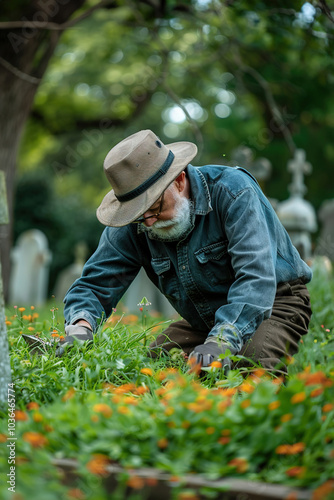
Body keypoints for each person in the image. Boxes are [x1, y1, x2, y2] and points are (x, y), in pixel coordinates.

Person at [25, 129, 313, 373]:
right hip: (204, 319)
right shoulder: (135, 218)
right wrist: (80, 328)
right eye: (140, 216)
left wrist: (222, 341)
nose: (148, 222)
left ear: (178, 180)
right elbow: (95, 282)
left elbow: (256, 278)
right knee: (150, 369)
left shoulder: (233, 191)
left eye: (155, 209)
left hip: (275, 305)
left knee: (248, 366)